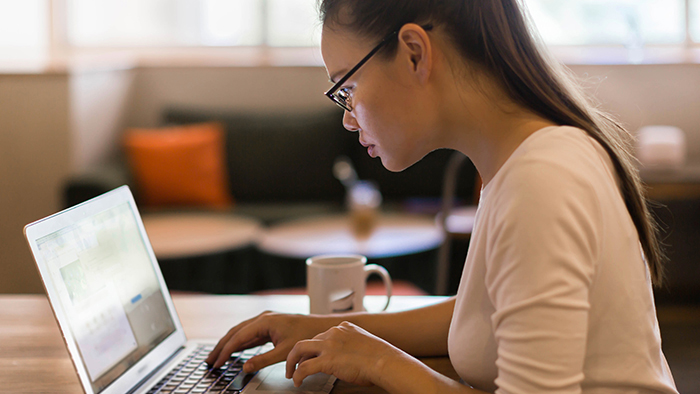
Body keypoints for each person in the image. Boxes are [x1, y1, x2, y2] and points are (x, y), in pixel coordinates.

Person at [206, 1, 679, 392]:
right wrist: (320, 328)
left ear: (414, 52)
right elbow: (487, 314)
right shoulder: (521, 162)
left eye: (347, 86)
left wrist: (379, 362)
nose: (348, 118)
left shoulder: (542, 180)